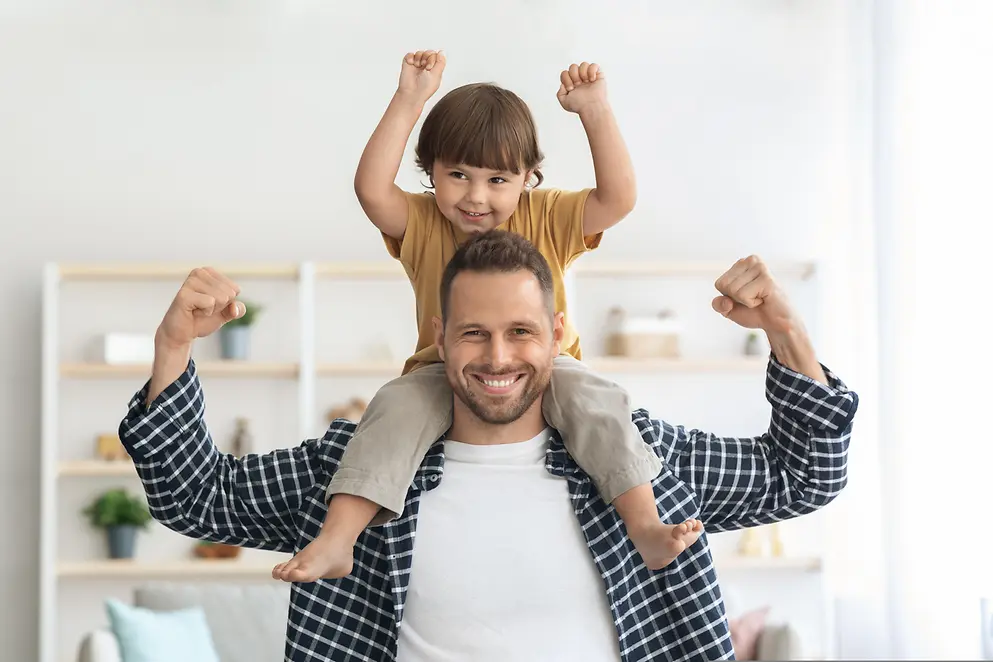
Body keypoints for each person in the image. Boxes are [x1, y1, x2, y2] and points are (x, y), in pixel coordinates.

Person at [119, 230, 857, 661]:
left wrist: (787, 332)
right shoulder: (355, 470)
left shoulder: (641, 458)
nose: (497, 357)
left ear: (556, 334)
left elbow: (802, 479)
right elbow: (195, 496)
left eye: (520, 332)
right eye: (474, 332)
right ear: (440, 337)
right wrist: (173, 350)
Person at [281, 49, 697, 582]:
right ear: (430, 171)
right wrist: (410, 99)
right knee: (393, 408)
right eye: (457, 174)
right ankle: (338, 539)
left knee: (598, 403)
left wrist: (595, 111)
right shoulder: (424, 222)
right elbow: (371, 189)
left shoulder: (547, 214)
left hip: (550, 366)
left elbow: (618, 198)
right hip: (443, 369)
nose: (476, 197)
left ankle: (644, 526)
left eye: (498, 179)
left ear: (529, 178)